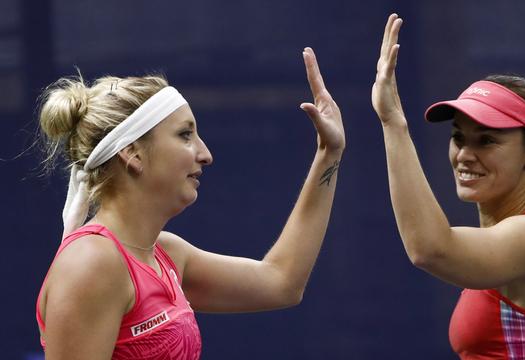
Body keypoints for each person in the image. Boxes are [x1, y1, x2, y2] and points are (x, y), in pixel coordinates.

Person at [35, 47, 344, 359]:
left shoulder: (165, 253)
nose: (205, 154)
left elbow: (282, 282)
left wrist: (328, 152)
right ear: (133, 153)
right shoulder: (91, 263)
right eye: (185, 135)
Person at [372, 14, 525, 359]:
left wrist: (393, 123)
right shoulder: (497, 245)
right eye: (459, 138)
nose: (465, 155)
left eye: (486, 141)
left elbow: (429, 249)